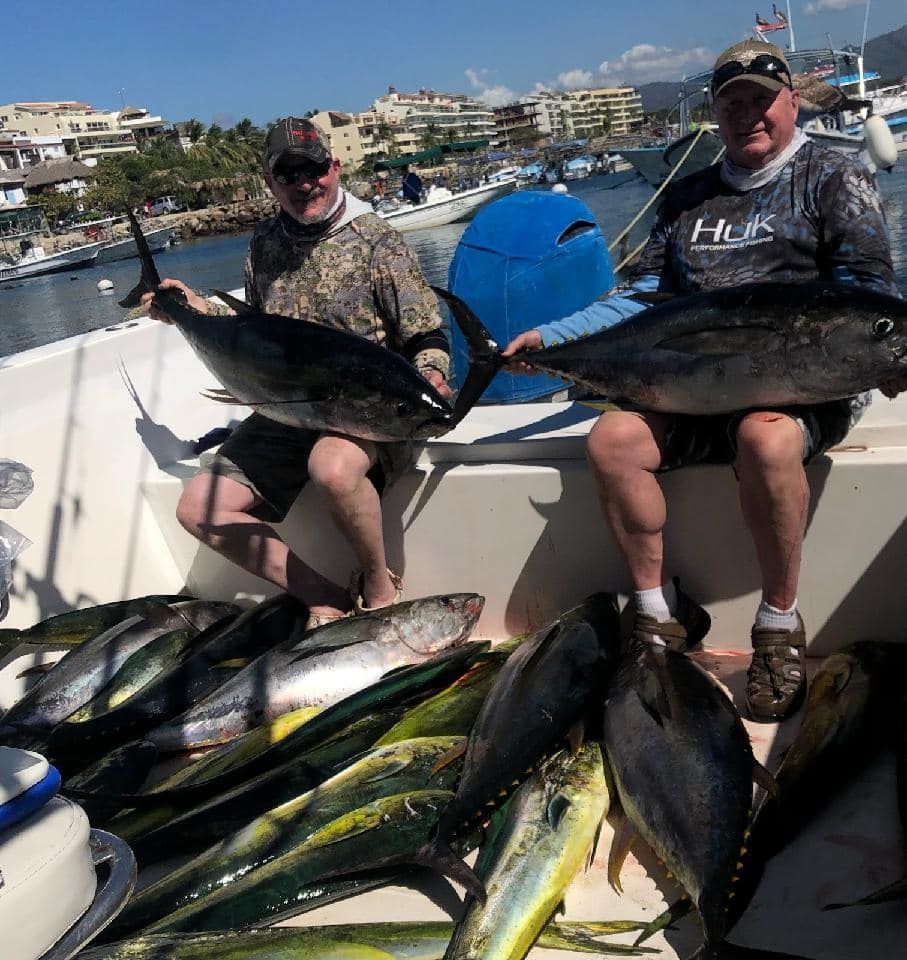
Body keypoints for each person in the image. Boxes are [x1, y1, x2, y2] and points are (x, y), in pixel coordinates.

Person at [503, 39, 902, 722]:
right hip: (687, 386)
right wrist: (554, 339)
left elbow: (868, 296)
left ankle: (777, 624)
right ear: (715, 115)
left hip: (802, 389)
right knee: (612, 443)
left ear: (789, 101)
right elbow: (637, 297)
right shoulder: (688, 195)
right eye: (731, 103)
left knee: (766, 437)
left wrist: (887, 356)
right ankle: (658, 616)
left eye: (761, 99)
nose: (748, 114)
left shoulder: (832, 175)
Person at [142, 118, 452, 628]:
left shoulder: (377, 240)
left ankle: (378, 584)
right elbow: (257, 330)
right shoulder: (264, 242)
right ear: (271, 184)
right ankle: (324, 597)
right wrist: (190, 306)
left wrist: (431, 374)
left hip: (371, 409)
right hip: (288, 405)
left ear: (334, 167)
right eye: (288, 176)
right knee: (199, 507)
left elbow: (427, 334)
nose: (304, 185)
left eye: (312, 170)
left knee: (332, 465)